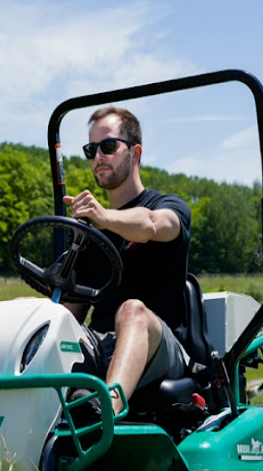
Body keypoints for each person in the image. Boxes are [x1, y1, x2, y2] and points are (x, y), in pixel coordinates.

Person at [63, 106, 191, 415]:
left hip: (160, 347)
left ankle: (107, 411)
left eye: (108, 146)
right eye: (91, 150)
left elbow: (151, 225)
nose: (98, 157)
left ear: (135, 152)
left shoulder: (168, 206)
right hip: (100, 343)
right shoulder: (88, 231)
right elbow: (70, 312)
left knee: (132, 310)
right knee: (32, 316)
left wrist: (104, 217)